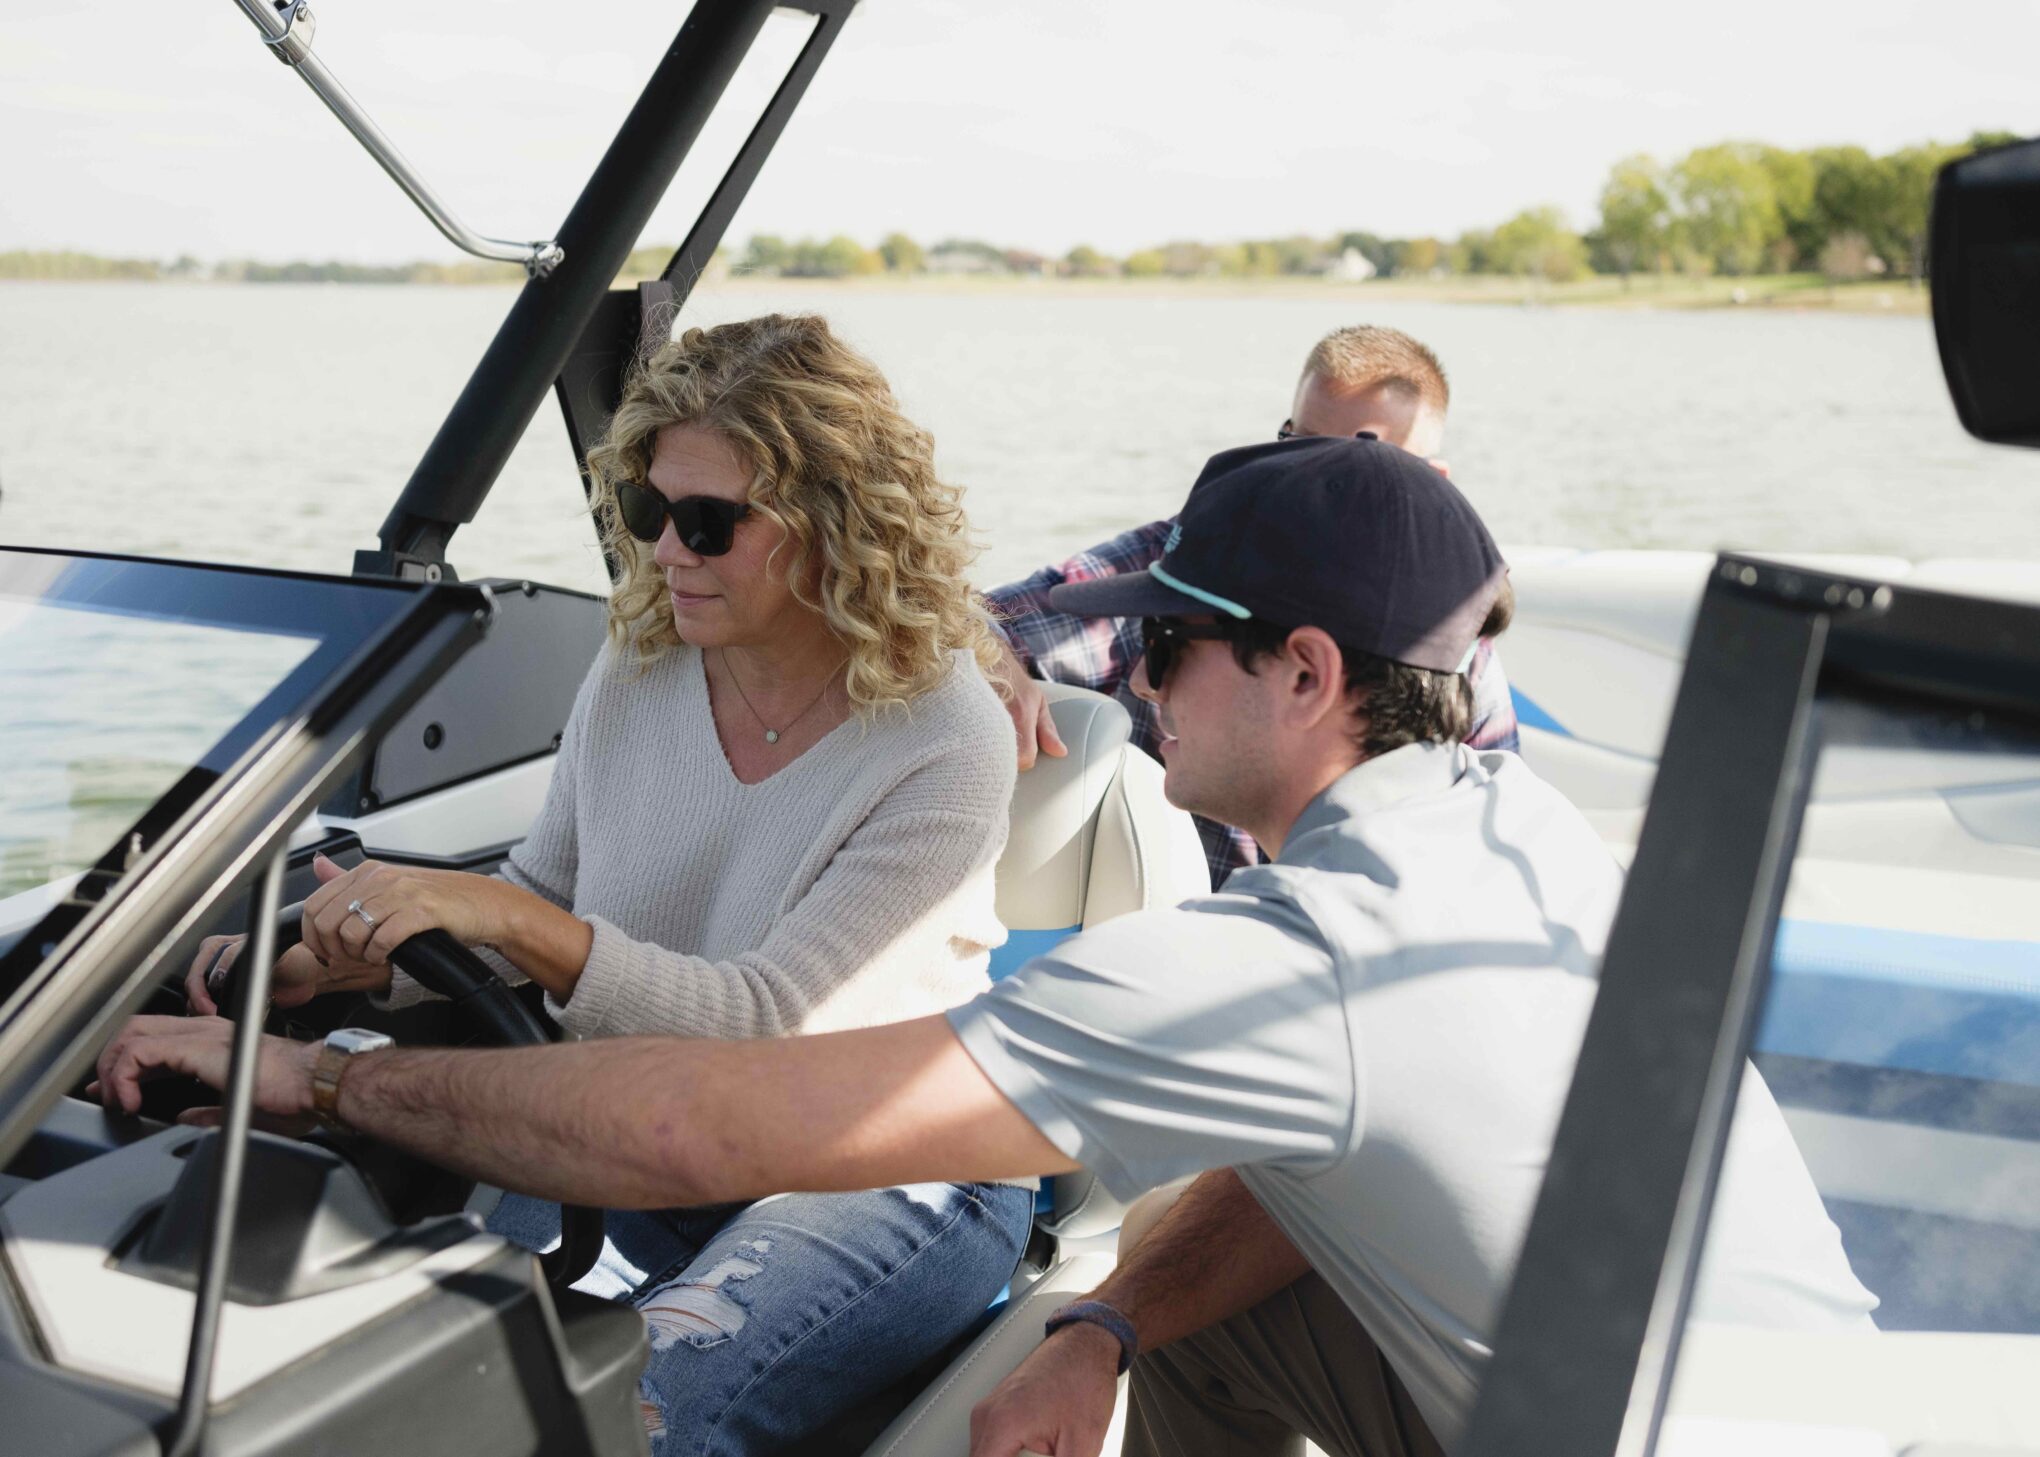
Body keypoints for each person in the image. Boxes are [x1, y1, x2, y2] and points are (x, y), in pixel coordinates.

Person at [104, 436, 1874, 1457]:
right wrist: (1098, 1322)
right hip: (1787, 1405)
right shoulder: (1507, 827)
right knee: (1189, 1316)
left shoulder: (1303, 949)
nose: (1128, 674)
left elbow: (696, 1131)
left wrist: (314, 1076)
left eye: (1170, 645)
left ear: (1312, 676)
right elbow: (1317, 1163)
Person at [175, 313, 1036, 1456]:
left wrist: (511, 916)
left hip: (886, 1157)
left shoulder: (945, 735)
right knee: (414, 1374)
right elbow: (534, 900)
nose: (665, 550)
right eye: (646, 509)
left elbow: (765, 1025)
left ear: (837, 522)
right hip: (631, 1115)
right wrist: (320, 968)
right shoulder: (639, 662)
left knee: (626, 1420)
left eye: (708, 521)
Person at [984, 323, 1520, 889]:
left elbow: (1489, 842)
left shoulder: (1462, 638)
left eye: (1359, 462)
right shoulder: (1195, 556)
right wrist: (983, 646)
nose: (1320, 479)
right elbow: (981, 617)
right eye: (1302, 446)